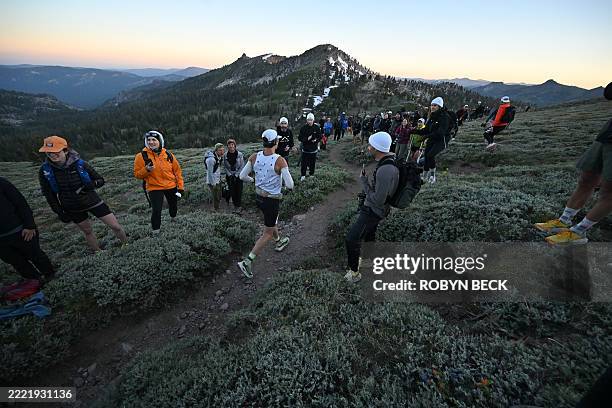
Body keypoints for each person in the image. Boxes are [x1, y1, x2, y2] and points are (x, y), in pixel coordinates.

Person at [534, 82, 612, 245]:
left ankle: (578, 232)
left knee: (608, 190)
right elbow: (609, 93)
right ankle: (563, 221)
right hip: (608, 135)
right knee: (586, 179)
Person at [39, 135, 127, 251]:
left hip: (92, 201)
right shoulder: (45, 171)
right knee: (87, 231)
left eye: (55, 151)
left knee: (115, 226)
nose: (52, 155)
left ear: (65, 151)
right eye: (48, 152)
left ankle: (126, 245)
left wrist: (91, 185)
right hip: (72, 207)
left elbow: (100, 180)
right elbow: (49, 194)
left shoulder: (80, 164)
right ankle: (98, 253)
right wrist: (59, 212)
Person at [237, 129, 294, 278]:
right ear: (275, 142)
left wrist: (253, 180)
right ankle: (248, 261)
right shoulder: (280, 160)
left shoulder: (255, 156)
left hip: (259, 198)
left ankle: (279, 241)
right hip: (272, 200)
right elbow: (290, 185)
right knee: (267, 231)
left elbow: (242, 176)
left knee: (271, 221)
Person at [345, 132, 399, 283]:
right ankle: (368, 261)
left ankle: (354, 273)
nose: (368, 148)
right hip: (376, 209)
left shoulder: (385, 170)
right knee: (369, 235)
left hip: (373, 211)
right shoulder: (387, 163)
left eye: (371, 145)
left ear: (377, 148)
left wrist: (364, 182)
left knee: (352, 238)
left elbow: (378, 199)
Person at [0, 177, 55, 281]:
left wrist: (29, 225)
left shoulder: (1, 183)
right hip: (1, 241)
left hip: (20, 231)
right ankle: (35, 282)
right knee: (17, 262)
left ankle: (50, 277)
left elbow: (21, 203)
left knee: (36, 255)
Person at [134, 130, 185, 233]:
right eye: (148, 140)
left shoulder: (168, 154)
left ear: (160, 141)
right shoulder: (141, 156)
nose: (151, 142)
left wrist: (180, 187)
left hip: (171, 185)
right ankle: (156, 232)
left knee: (173, 205)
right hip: (154, 187)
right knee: (156, 210)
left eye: (154, 140)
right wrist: (146, 170)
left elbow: (177, 171)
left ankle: (173, 218)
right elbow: (137, 174)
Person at [412, 97, 451, 183]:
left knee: (430, 155)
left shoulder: (444, 117)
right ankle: (424, 175)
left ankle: (432, 176)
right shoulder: (432, 116)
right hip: (432, 138)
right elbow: (426, 129)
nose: (432, 107)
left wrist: (426, 136)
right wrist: (414, 131)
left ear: (439, 106)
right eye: (431, 105)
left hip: (442, 140)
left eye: (435, 105)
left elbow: (440, 133)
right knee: (426, 156)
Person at [298, 113, 321, 181]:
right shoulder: (303, 128)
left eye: (311, 120)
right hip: (305, 149)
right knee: (304, 163)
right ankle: (303, 175)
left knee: (312, 163)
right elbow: (300, 138)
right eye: (308, 120)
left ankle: (311, 174)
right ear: (306, 120)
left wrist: (316, 140)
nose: (309, 121)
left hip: (313, 149)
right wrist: (307, 139)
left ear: (313, 120)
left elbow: (320, 136)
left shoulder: (316, 127)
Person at [223, 139, 245, 212]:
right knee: (232, 191)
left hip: (238, 176)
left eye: (232, 145)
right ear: (227, 146)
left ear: (235, 146)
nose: (231, 146)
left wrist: (236, 175)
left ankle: (238, 205)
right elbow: (225, 166)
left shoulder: (240, 154)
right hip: (230, 176)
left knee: (239, 190)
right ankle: (234, 205)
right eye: (229, 145)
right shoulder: (225, 155)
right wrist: (229, 175)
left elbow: (242, 166)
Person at [205, 143, 226, 211]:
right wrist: (213, 184)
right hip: (212, 181)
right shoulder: (211, 160)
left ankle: (217, 207)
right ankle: (216, 209)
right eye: (220, 150)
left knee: (219, 195)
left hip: (217, 179)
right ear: (216, 150)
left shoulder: (218, 157)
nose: (222, 152)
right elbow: (210, 173)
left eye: (223, 150)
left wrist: (219, 179)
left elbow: (217, 169)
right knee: (216, 196)